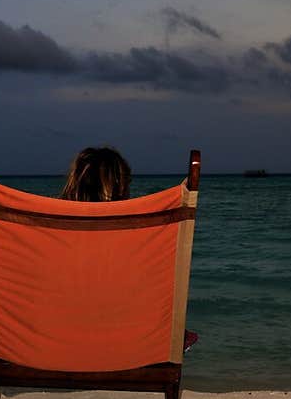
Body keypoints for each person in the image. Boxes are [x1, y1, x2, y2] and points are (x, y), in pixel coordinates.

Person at [61, 146, 198, 352]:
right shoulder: (142, 237)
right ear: (121, 187)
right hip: (133, 350)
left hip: (56, 345)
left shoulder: (48, 233)